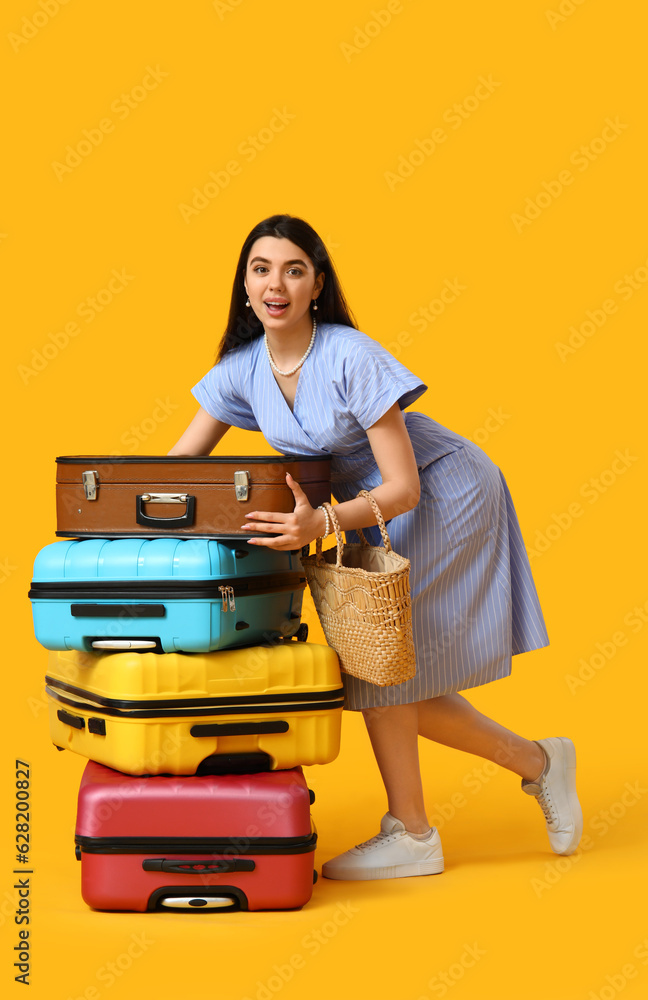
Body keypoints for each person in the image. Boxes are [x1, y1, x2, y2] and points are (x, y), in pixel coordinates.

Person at [168, 213, 583, 881]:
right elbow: (176, 470)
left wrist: (321, 527)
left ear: (316, 286)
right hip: (347, 513)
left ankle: (415, 832)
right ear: (244, 288)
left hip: (441, 492)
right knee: (379, 668)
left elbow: (403, 486)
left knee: (377, 667)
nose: (275, 283)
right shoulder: (241, 370)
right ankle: (535, 764)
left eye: (293, 270)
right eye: (260, 269)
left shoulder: (348, 355)